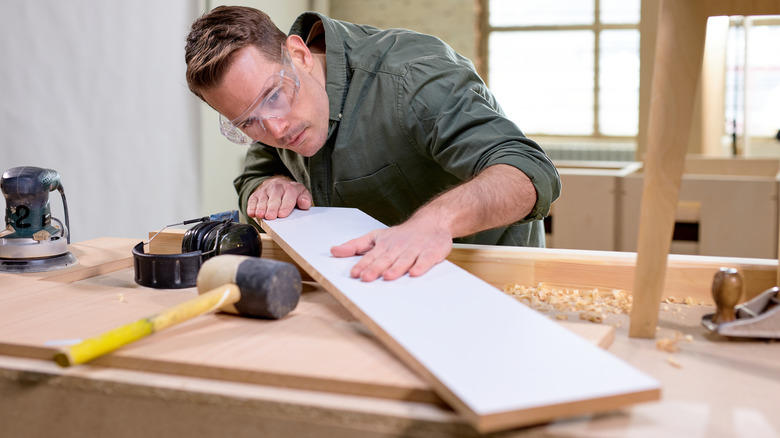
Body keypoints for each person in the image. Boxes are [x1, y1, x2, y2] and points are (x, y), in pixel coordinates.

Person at [185, 6, 561, 282]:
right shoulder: (272, 113)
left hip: (490, 280)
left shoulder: (412, 78)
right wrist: (266, 186)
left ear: (298, 55)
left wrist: (436, 221)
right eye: (248, 122)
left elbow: (528, 173)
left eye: (273, 97)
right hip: (377, 284)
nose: (278, 129)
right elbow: (257, 171)